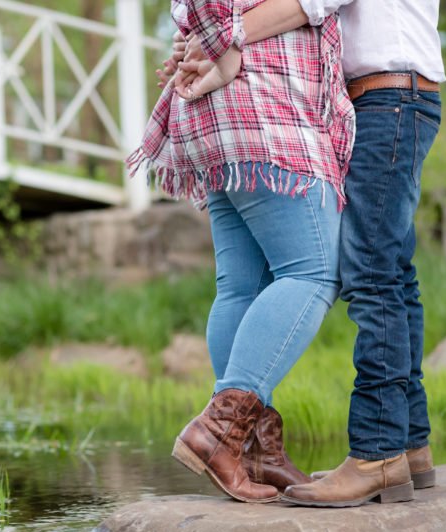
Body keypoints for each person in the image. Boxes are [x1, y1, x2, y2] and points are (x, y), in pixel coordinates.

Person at [169, 0, 445, 506]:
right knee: (383, 274)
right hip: (364, 96)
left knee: (372, 274)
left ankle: (378, 452)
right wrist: (214, 41)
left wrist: (217, 39)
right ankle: (402, 446)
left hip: (389, 91)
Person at [129, 0, 355, 502]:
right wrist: (221, 45)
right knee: (314, 273)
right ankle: (218, 431)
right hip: (266, 109)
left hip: (216, 114)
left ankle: (254, 451)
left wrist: (208, 40)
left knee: (242, 286)